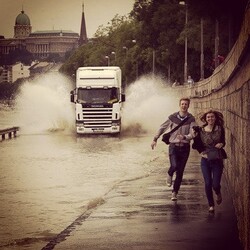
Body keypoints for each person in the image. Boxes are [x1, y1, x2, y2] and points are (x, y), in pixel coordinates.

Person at [151, 97, 196, 201]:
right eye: (182, 104)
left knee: (180, 172)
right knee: (174, 166)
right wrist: (155, 139)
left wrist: (186, 137)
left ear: (188, 106)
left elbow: (193, 133)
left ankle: (174, 192)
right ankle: (170, 173)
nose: (184, 106)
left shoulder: (191, 119)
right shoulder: (172, 117)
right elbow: (162, 127)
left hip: (185, 148)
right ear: (179, 105)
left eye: (186, 104)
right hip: (173, 146)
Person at [191, 110, 227, 213]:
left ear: (215, 118)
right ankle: (211, 205)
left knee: (215, 184)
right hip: (205, 160)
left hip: (217, 160)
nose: (210, 119)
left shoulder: (220, 129)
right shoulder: (201, 130)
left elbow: (223, 141)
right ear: (205, 119)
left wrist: (221, 144)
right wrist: (200, 150)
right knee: (208, 183)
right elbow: (196, 144)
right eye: (208, 117)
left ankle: (218, 193)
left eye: (212, 117)